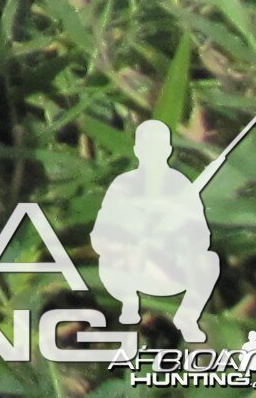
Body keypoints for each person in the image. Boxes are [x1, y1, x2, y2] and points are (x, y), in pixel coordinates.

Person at [91, 118, 222, 342]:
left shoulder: (180, 184)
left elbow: (202, 235)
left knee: (209, 261)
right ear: (137, 149)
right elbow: (101, 235)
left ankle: (188, 316)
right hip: (130, 268)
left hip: (170, 266)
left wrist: (173, 237)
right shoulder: (124, 185)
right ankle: (129, 308)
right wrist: (132, 241)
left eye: (159, 146)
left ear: (168, 149)